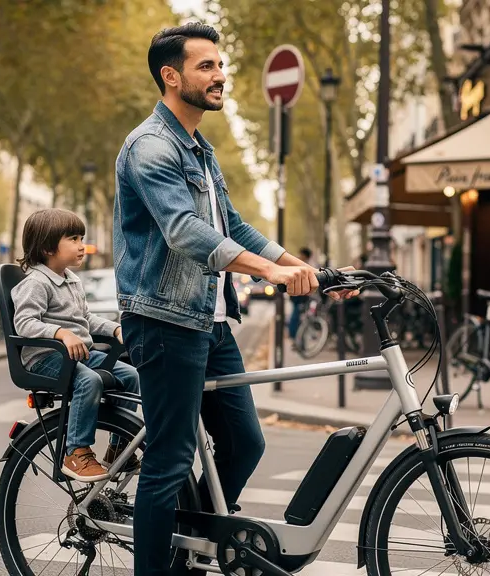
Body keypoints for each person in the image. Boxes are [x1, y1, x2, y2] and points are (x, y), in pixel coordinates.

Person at [112, 22, 356, 575]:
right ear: (171, 77)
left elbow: (233, 225)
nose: (220, 75)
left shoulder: (199, 149)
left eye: (221, 65)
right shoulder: (151, 146)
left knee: (245, 444)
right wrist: (269, 271)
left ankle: (189, 537)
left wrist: (304, 267)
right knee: (169, 464)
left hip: (211, 322)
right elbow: (184, 231)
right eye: (206, 66)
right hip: (165, 320)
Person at [11, 208, 140, 483]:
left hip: (78, 355)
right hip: (46, 358)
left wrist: (115, 328)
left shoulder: (71, 280)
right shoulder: (35, 282)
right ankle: (76, 452)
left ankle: (119, 449)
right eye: (73, 239)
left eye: (81, 238)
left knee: (130, 376)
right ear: (47, 247)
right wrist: (61, 333)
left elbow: (86, 319)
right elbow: (24, 323)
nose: (81, 246)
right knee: (88, 382)